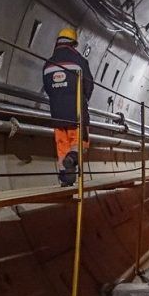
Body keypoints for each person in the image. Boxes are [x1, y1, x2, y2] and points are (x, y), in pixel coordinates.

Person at [42, 27, 93, 187]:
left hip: (57, 114)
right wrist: (83, 100)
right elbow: (88, 85)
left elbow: (48, 88)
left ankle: (66, 179)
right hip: (76, 113)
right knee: (80, 144)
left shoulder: (48, 64)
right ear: (73, 43)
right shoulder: (79, 61)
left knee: (62, 146)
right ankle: (72, 159)